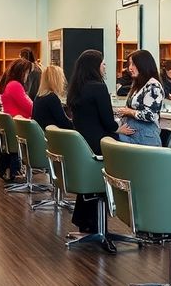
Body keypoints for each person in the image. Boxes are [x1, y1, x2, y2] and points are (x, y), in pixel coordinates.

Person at [67, 50, 119, 250]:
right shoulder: (98, 87)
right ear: (94, 66)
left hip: (83, 147)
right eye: (103, 64)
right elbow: (108, 122)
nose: (105, 67)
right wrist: (118, 128)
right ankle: (97, 223)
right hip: (99, 146)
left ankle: (85, 221)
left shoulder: (77, 88)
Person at [116, 50, 164, 146]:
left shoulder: (153, 85)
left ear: (143, 65)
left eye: (133, 64)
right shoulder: (138, 85)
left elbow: (151, 115)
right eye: (129, 64)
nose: (130, 68)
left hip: (145, 138)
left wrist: (129, 112)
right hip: (134, 136)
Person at [32, 65, 72, 131]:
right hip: (53, 138)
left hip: (42, 136)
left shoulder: (38, 97)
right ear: (56, 80)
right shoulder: (52, 98)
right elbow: (64, 123)